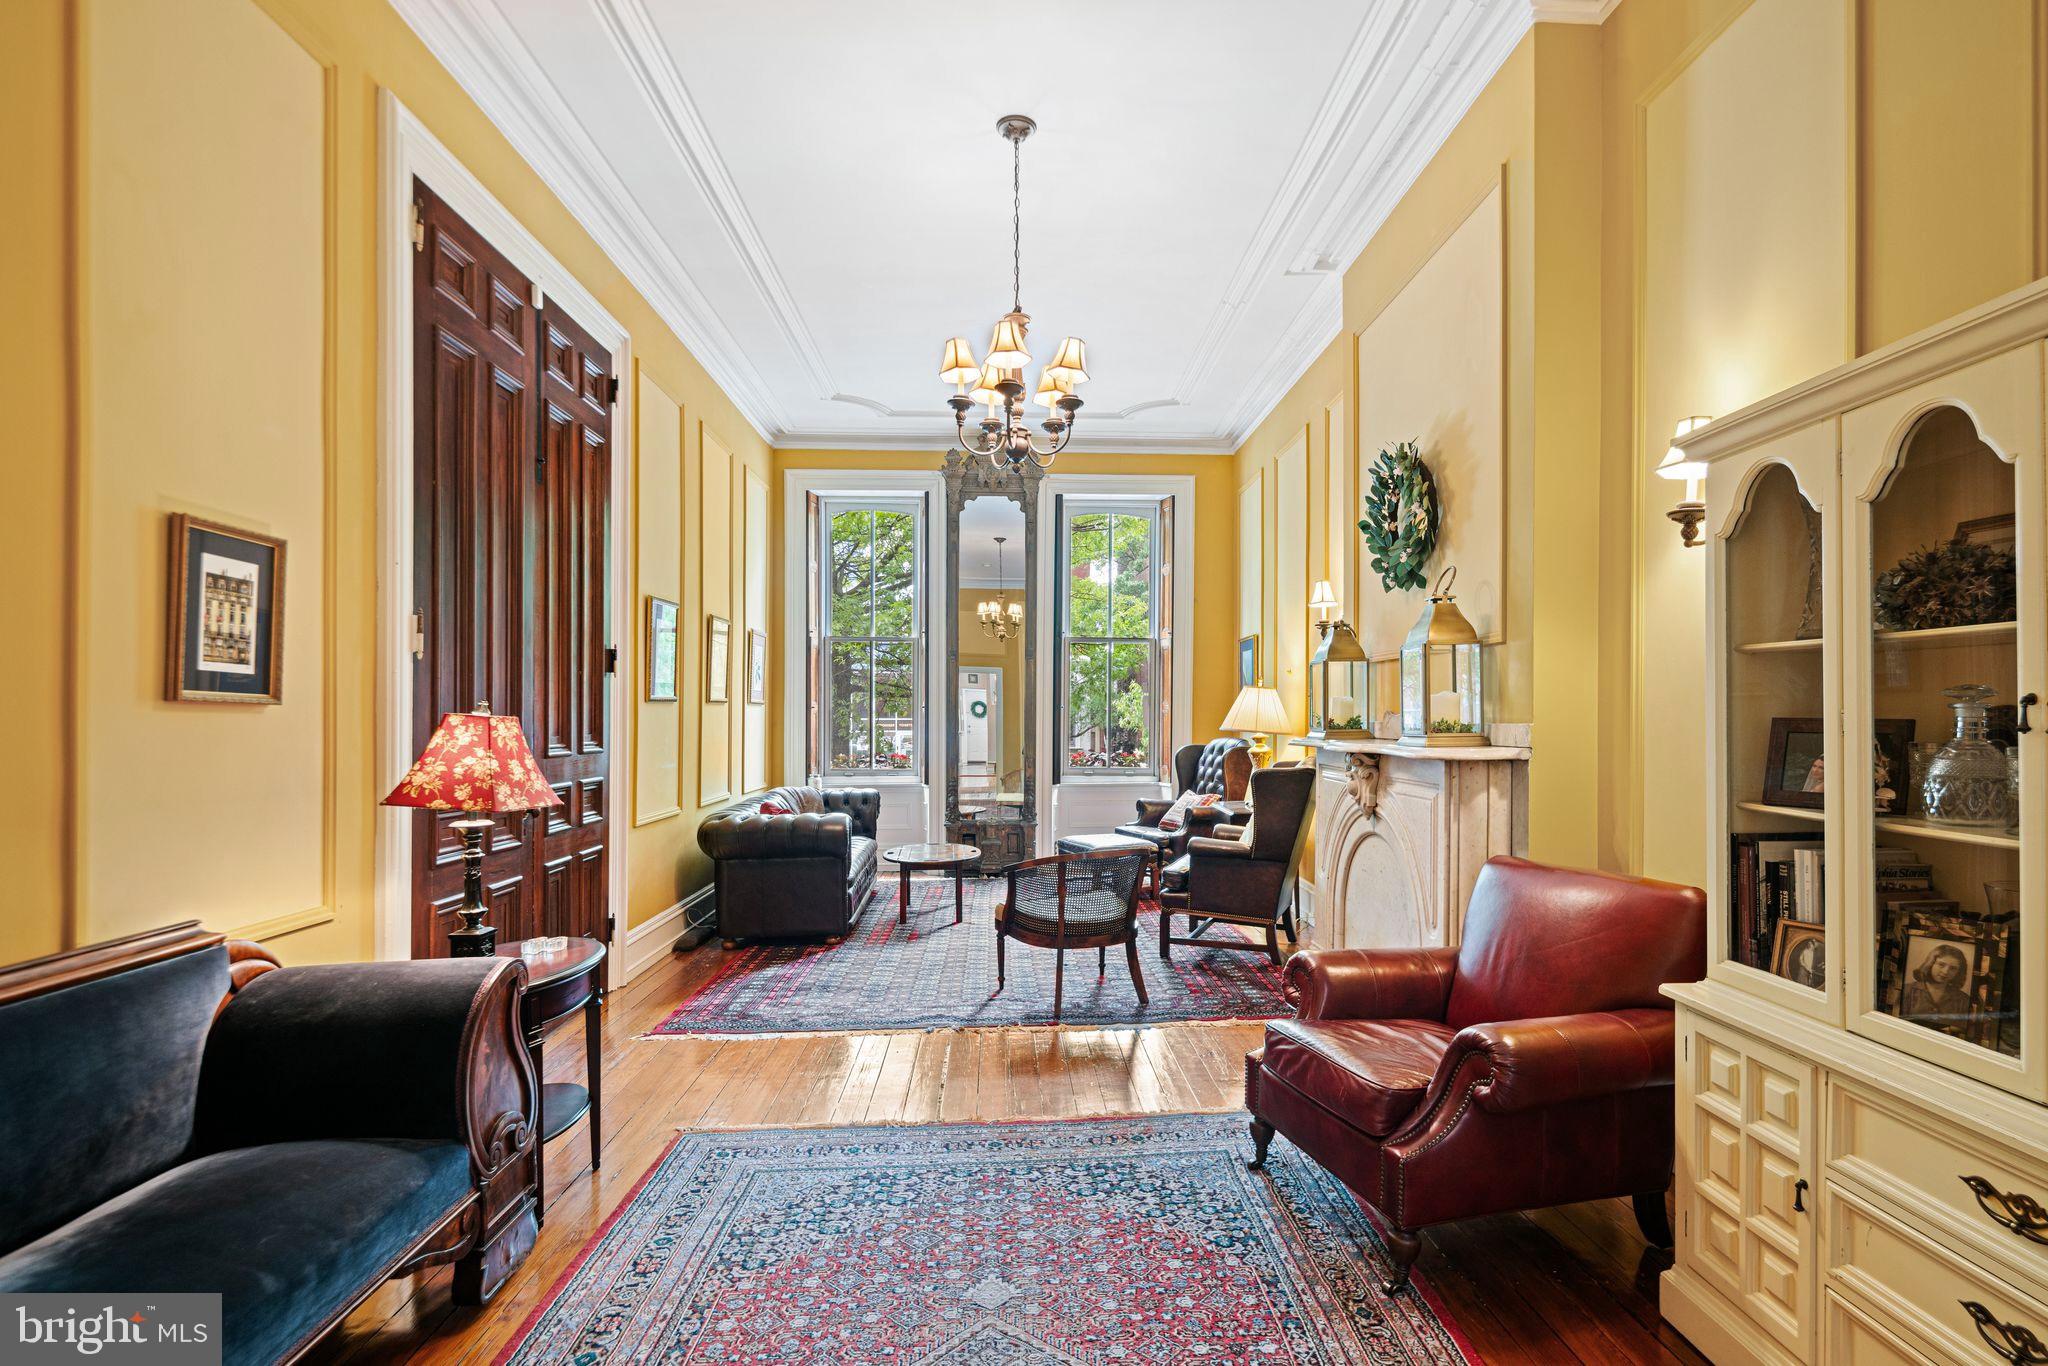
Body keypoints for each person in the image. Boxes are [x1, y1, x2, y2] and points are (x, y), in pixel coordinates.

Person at [1901, 942, 1973, 1028]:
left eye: (1953, 968)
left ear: (1958, 972)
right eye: (1941, 965)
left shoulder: (1964, 1001)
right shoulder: (1906, 990)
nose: (1945, 972)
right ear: (1930, 964)